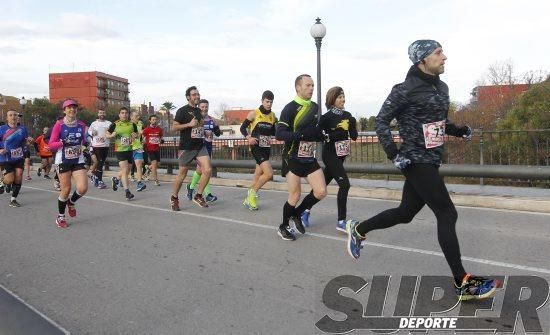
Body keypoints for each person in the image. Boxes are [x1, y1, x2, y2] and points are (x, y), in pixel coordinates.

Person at [345, 40, 499, 301]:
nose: (444, 57)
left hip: (433, 158)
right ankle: (462, 282)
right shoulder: (404, 89)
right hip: (414, 160)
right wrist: (394, 154)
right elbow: (382, 121)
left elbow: (437, 121)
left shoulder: (442, 87)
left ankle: (359, 229)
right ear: (422, 59)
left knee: (405, 213)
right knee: (447, 213)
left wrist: (457, 130)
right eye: (438, 53)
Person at [274, 74, 327, 241]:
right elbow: (279, 134)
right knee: (295, 195)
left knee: (321, 191)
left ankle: (296, 213)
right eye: (308, 85)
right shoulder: (290, 108)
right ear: (298, 87)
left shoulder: (315, 107)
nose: (311, 88)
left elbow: (316, 131)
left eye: (313, 85)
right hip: (292, 157)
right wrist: (303, 134)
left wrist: (321, 135)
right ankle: (283, 226)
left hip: (308, 157)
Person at [314, 86, 358, 232]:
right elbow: (318, 136)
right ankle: (341, 221)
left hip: (341, 156)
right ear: (332, 100)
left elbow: (354, 136)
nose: (343, 99)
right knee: (345, 185)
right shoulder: (326, 118)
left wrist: (352, 124)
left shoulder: (348, 114)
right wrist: (336, 131)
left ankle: (304, 210)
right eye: (340, 97)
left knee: (321, 187)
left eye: (343, 96)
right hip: (329, 155)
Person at [48, 99, 89, 228]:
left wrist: (87, 144)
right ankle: (60, 217)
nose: (72, 110)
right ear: (64, 110)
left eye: (74, 108)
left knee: (82, 188)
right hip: (63, 160)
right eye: (69, 108)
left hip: (78, 159)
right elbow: (51, 145)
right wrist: (62, 142)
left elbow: (84, 141)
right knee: (66, 189)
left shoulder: (81, 125)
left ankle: (71, 202)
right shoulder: (59, 125)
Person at [170, 86, 212, 210]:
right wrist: (189, 124)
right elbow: (174, 127)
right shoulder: (182, 111)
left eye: (198, 94)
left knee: (208, 169)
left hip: (199, 146)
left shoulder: (199, 112)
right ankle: (174, 197)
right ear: (188, 97)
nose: (197, 96)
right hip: (186, 147)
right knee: (182, 174)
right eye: (194, 95)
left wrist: (205, 133)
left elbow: (198, 127)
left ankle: (198, 195)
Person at [240, 90, 277, 210]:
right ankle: (252, 193)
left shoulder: (273, 116)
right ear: (262, 101)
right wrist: (248, 137)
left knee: (258, 173)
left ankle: (248, 200)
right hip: (256, 147)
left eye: (271, 102)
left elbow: (275, 132)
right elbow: (242, 128)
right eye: (267, 101)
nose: (269, 104)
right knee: (269, 173)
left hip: (266, 147)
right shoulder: (254, 113)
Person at [186, 99, 220, 202]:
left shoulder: (212, 120)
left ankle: (191, 187)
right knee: (206, 170)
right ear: (199, 108)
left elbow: (217, 133)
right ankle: (208, 194)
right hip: (198, 149)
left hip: (208, 148)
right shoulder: (195, 120)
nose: (204, 108)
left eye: (206, 106)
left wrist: (216, 128)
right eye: (202, 107)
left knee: (201, 171)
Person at [0, 110, 34, 206]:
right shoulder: (2, 129)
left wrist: (29, 142)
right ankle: (2, 182)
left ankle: (13, 199)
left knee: (18, 176)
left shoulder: (23, 129)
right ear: (7, 118)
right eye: (10, 115)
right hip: (6, 157)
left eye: (15, 115)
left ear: (18, 117)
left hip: (18, 156)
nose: (13, 117)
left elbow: (25, 142)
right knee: (10, 179)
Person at [106, 107, 138, 200]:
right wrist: (111, 135)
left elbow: (136, 135)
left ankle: (116, 178)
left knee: (127, 171)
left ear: (128, 115)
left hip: (129, 149)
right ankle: (127, 192)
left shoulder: (132, 124)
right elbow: (106, 134)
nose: (124, 114)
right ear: (119, 115)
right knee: (125, 171)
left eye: (126, 113)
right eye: (122, 113)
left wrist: (135, 136)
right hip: (120, 150)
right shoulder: (115, 124)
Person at [88, 109, 112, 189]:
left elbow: (113, 132)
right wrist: (92, 133)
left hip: (106, 145)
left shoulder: (109, 123)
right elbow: (89, 131)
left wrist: (110, 133)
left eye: (103, 112)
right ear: (98, 114)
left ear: (105, 113)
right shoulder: (94, 123)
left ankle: (95, 177)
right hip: (97, 146)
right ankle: (100, 181)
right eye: (100, 112)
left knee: (101, 163)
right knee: (100, 163)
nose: (102, 114)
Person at [142, 114, 164, 186]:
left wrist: (161, 140)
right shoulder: (146, 129)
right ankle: (156, 180)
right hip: (149, 149)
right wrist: (143, 142)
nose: (154, 121)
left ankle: (148, 167)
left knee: (158, 164)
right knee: (154, 164)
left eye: (155, 119)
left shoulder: (159, 129)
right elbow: (143, 137)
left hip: (157, 149)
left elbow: (161, 137)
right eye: (153, 119)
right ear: (150, 120)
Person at [130, 111, 146, 192]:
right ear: (131, 117)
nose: (138, 117)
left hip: (138, 147)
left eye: (138, 116)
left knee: (139, 165)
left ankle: (139, 183)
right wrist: (133, 136)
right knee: (126, 169)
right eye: (136, 116)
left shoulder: (140, 123)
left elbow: (142, 133)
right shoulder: (128, 125)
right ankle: (117, 179)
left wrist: (143, 138)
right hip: (128, 148)